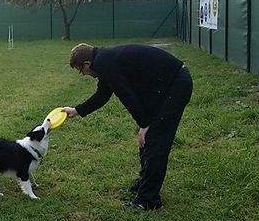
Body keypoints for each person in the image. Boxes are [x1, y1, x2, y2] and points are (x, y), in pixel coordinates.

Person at [62, 43, 193, 211]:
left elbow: (126, 94)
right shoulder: (103, 59)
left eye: (81, 71)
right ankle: (145, 184)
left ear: (87, 64)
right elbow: (103, 94)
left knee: (155, 141)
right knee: (148, 139)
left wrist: (144, 124)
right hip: (164, 86)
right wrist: (77, 110)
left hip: (175, 85)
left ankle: (147, 200)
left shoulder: (104, 61)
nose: (84, 74)